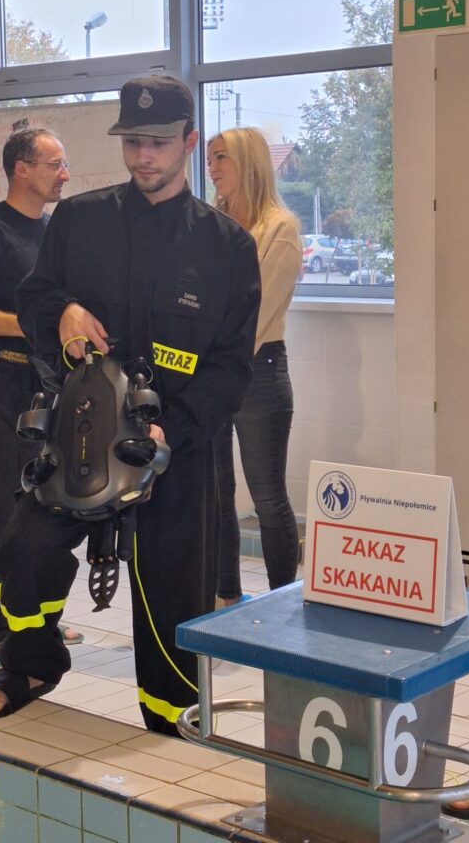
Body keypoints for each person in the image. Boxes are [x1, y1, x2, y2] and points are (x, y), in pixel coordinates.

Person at [0, 74, 261, 735]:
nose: (143, 157)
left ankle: (171, 713)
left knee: (171, 588)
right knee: (26, 547)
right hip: (80, 430)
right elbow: (35, 299)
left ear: (188, 142)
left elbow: (230, 367)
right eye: (132, 142)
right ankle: (30, 664)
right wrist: (63, 311)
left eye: (158, 143)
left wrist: (169, 432)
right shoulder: (80, 220)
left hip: (176, 444)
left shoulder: (226, 247)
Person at [0, 126, 84, 668]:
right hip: (6, 380)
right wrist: (23, 324)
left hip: (52, 385)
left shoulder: (54, 231)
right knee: (7, 506)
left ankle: (39, 619)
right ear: (22, 169)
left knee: (49, 504)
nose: (64, 174)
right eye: (55, 164)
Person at [207, 127, 302, 595]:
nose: (212, 168)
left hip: (257, 371)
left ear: (250, 162)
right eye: (209, 159)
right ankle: (227, 596)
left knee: (267, 498)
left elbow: (258, 314)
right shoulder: (210, 224)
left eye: (221, 157)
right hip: (209, 370)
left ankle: (283, 601)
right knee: (217, 494)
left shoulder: (280, 227)